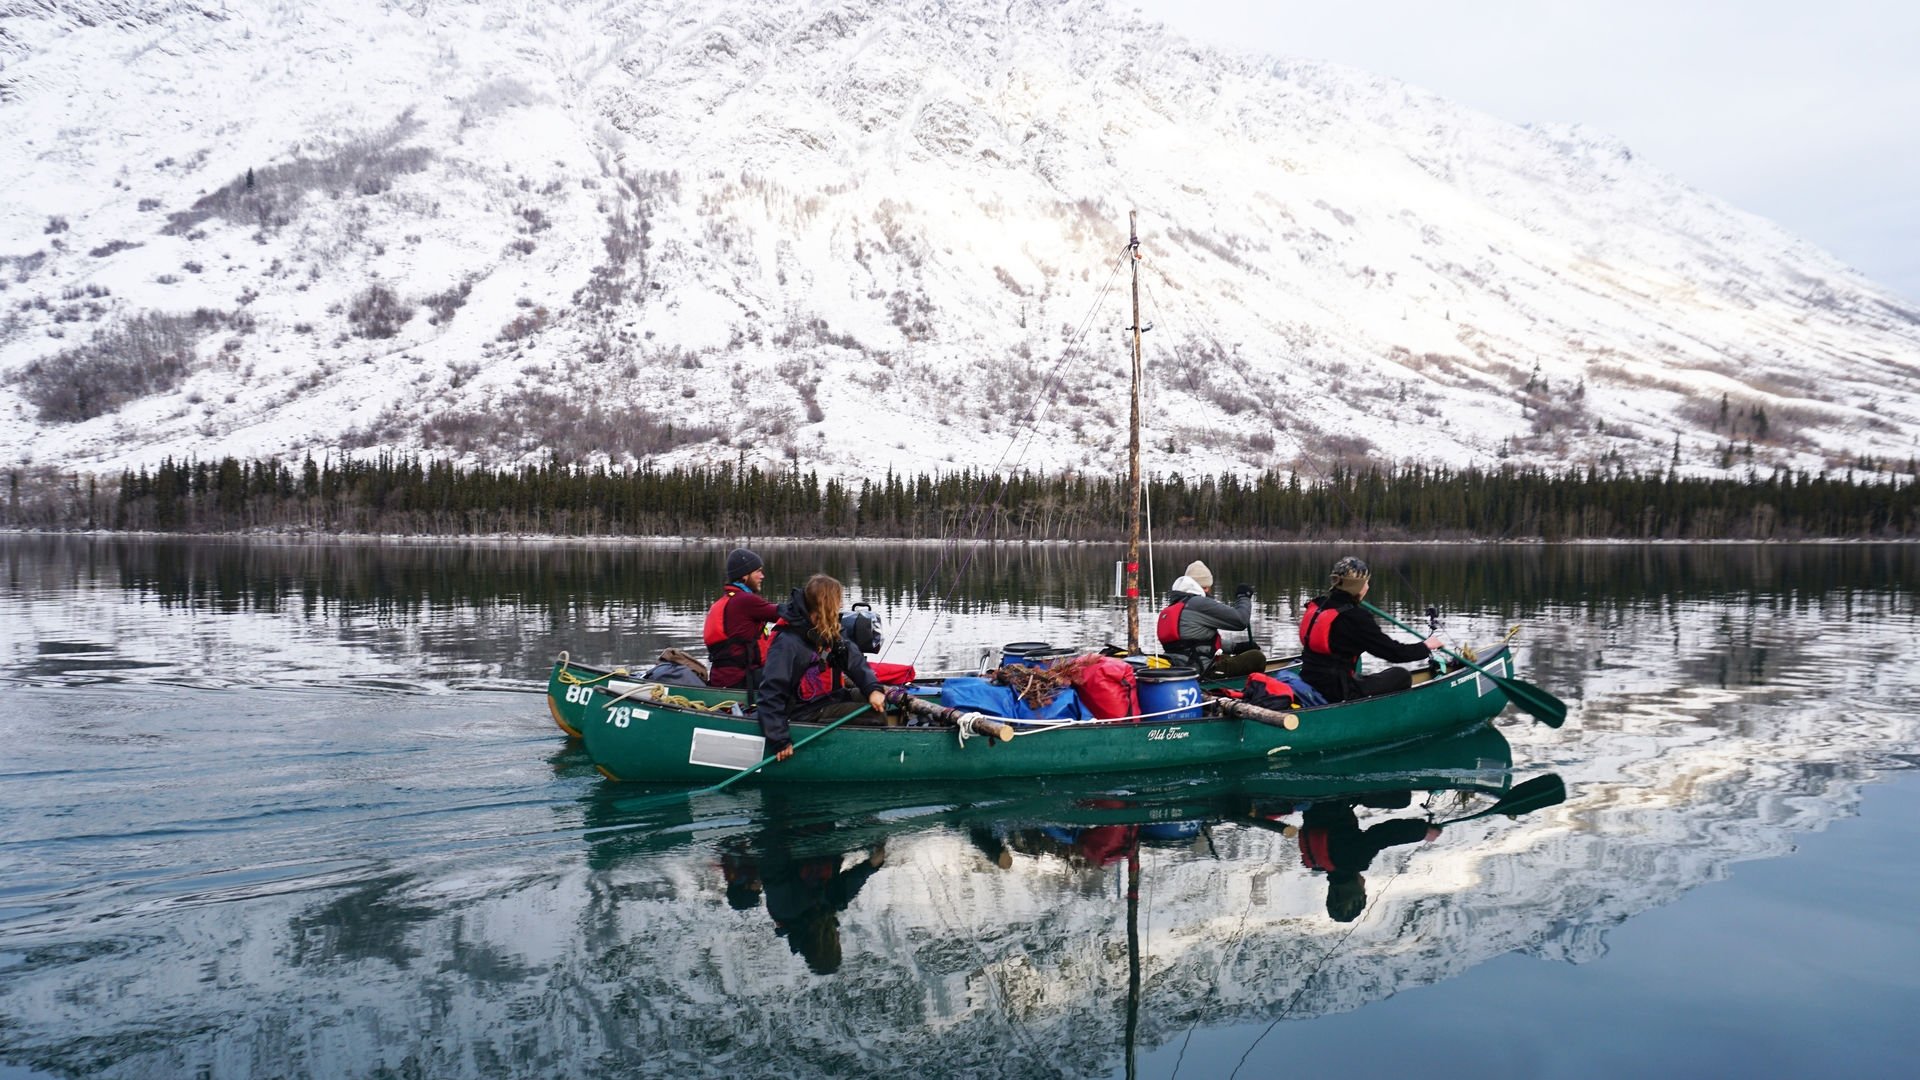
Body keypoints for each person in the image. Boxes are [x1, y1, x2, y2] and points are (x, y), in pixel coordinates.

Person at [756, 573, 888, 762]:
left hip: (831, 698)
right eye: (838, 601)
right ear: (825, 605)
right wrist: (779, 739)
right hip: (804, 710)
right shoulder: (787, 642)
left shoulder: (825, 629)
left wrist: (873, 689)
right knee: (875, 715)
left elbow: (854, 660)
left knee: (880, 701)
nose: (841, 606)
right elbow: (771, 691)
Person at [1297, 556, 1442, 703]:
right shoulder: (1355, 617)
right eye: (1366, 583)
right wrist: (1426, 646)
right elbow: (1393, 652)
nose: (1368, 587)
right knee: (1401, 675)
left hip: (1308, 680)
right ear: (1357, 586)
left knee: (1358, 672)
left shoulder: (1318, 605)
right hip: (1338, 692)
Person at [1156, 559, 1265, 678]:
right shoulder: (1199, 603)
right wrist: (1244, 597)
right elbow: (1240, 620)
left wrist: (1236, 647)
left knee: (1227, 657)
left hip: (1179, 667)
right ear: (1205, 587)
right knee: (1257, 658)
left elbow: (1199, 642)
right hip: (1201, 670)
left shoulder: (1173, 607)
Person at [703, 547, 779, 690]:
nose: (762, 576)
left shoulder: (727, 600)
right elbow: (783, 613)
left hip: (721, 678)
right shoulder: (745, 601)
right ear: (744, 575)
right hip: (742, 680)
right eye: (758, 571)